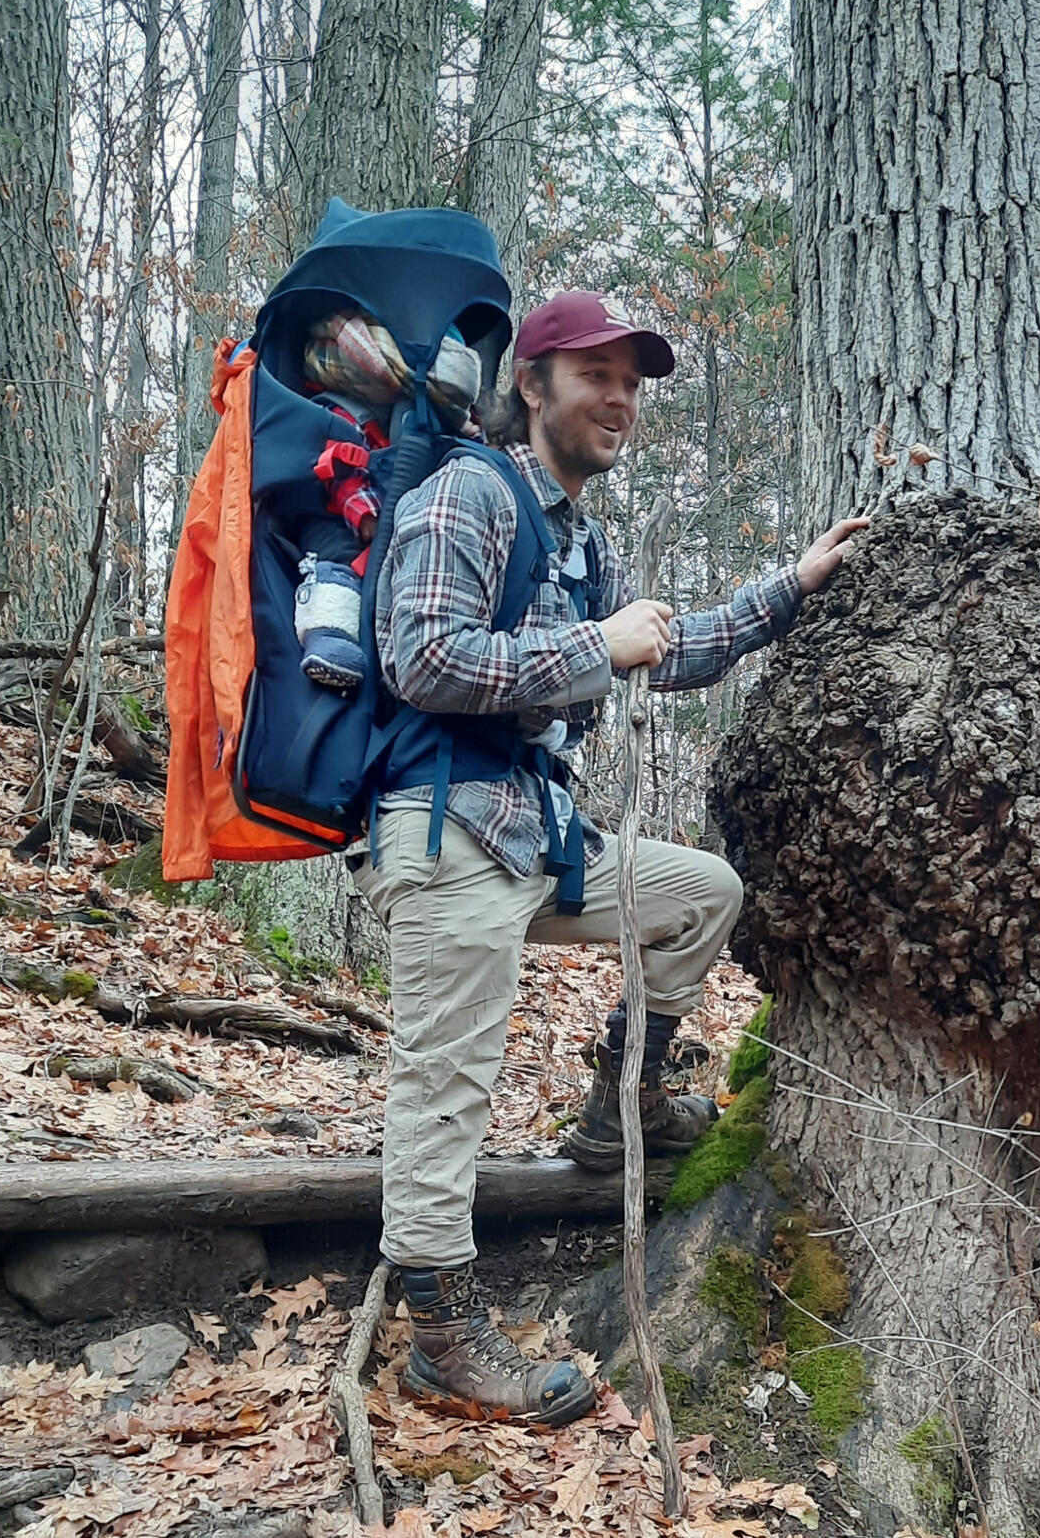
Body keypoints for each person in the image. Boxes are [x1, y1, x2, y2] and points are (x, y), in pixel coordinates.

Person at [351, 289, 868, 1426]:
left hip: (540, 836)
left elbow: (665, 655)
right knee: (446, 1085)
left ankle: (616, 1105)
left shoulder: (582, 537)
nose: (619, 398)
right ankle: (442, 1335)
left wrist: (790, 588)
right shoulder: (468, 494)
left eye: (632, 382)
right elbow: (420, 656)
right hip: (447, 832)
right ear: (531, 386)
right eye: (595, 374)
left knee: (703, 894)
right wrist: (597, 644)